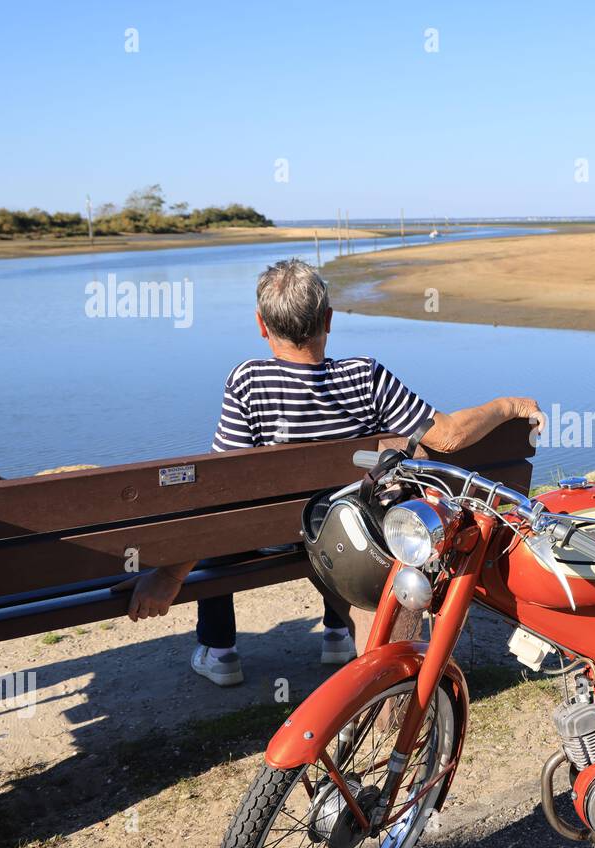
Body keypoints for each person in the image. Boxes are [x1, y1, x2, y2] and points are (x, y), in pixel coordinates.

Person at [123, 259, 541, 686]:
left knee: (229, 528)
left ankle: (221, 650)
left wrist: (170, 575)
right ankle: (338, 634)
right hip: (348, 543)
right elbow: (449, 436)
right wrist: (508, 406)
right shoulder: (366, 376)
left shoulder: (249, 381)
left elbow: (220, 491)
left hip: (271, 537)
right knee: (341, 507)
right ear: (328, 320)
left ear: (262, 326)